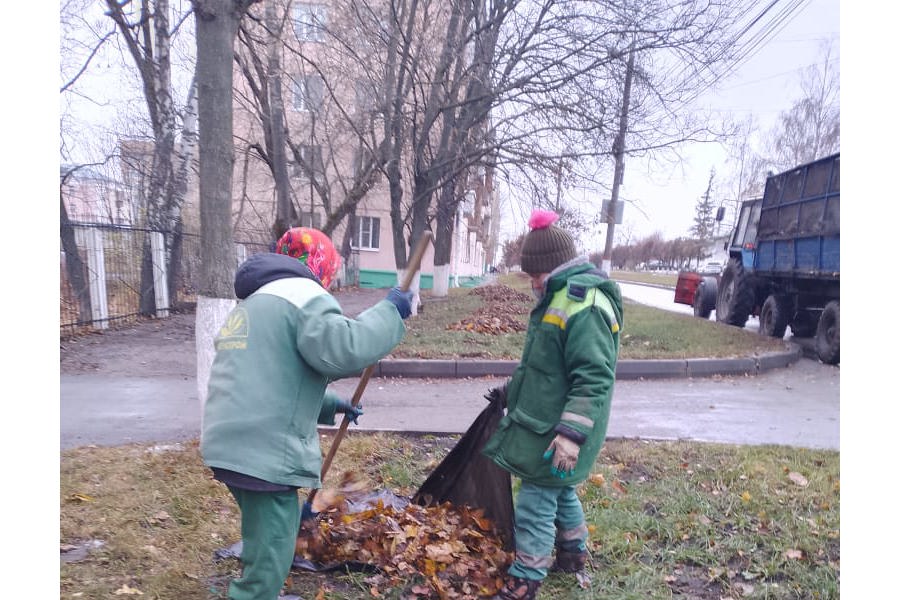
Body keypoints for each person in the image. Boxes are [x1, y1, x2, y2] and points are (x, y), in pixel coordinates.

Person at [200, 226, 415, 600]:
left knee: (264, 533)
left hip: (230, 441)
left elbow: (271, 377)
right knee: (276, 543)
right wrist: (389, 311)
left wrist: (332, 404)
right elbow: (344, 348)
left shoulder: (256, 302)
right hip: (262, 450)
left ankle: (262, 583)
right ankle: (256, 592)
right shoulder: (303, 294)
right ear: (322, 268)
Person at [482, 209, 623, 600]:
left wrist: (571, 436)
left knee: (535, 501)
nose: (532, 285)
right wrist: (511, 391)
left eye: (534, 277)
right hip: (551, 422)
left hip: (562, 431)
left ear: (552, 267)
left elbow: (593, 378)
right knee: (560, 493)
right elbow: (544, 367)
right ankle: (573, 552)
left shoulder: (585, 304)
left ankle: (527, 576)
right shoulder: (560, 296)